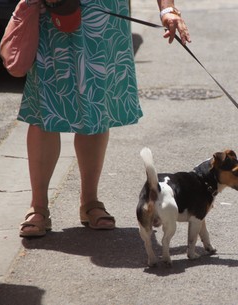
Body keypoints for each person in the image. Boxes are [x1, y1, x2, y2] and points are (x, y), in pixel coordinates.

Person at [19, 0, 191, 237]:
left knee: (96, 106)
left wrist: (167, 9)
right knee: (44, 109)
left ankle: (90, 202)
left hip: (104, 18)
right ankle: (38, 207)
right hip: (53, 13)